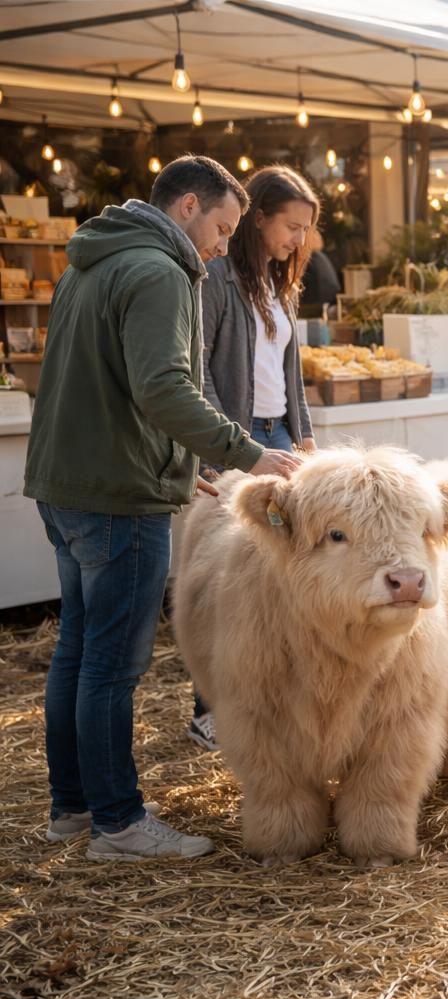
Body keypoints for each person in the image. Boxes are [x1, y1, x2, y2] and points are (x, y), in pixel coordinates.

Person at [24, 155, 302, 861]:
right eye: (220, 226)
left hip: (67, 484)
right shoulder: (158, 272)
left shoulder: (93, 260)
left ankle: (74, 808)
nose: (221, 243)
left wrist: (183, 464)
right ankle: (119, 823)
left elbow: (111, 384)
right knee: (113, 666)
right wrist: (248, 455)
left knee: (80, 652)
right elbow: (163, 389)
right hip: (118, 497)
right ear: (186, 206)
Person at [193, 164, 320, 751]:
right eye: (291, 226)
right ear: (258, 217)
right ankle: (210, 705)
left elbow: (289, 371)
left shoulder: (280, 283)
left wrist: (304, 431)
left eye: (305, 230)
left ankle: (276, 694)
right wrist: (222, 444)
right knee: (225, 572)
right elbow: (200, 370)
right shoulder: (216, 277)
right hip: (239, 437)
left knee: (277, 568)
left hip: (279, 435)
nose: (299, 240)